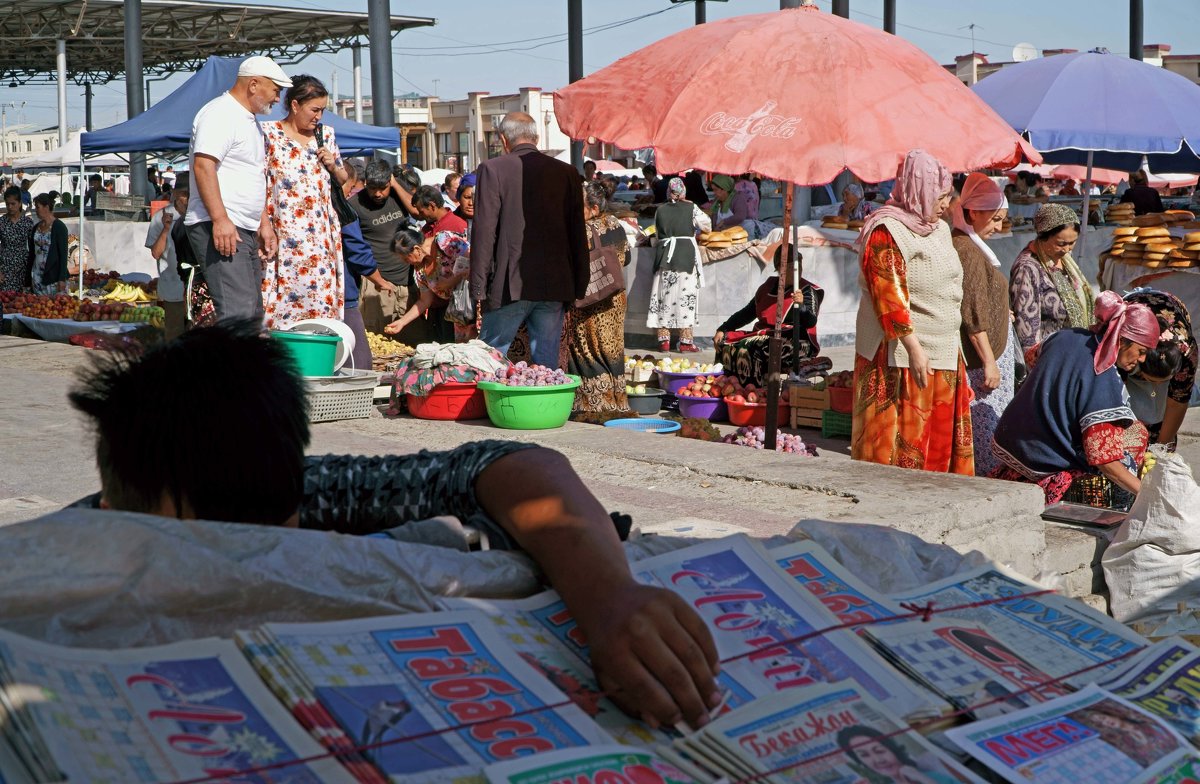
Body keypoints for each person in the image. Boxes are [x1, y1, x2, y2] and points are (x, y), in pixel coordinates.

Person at [66, 321, 723, 732]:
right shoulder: (69, 556)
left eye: (267, 539)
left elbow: (510, 464)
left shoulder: (294, 491)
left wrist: (610, 600)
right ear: (124, 511)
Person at [851, 149, 973, 475]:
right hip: (900, 356)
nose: (946, 204)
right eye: (940, 196)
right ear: (919, 190)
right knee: (901, 444)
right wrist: (914, 350)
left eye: (948, 196)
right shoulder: (887, 230)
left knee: (939, 445)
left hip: (944, 348)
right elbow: (888, 295)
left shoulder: (940, 228)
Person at [991, 292, 1159, 505]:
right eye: (1141, 350)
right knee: (1136, 436)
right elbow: (1106, 461)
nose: (1142, 359)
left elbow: (1032, 356)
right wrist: (1147, 495)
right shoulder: (1103, 378)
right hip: (1042, 458)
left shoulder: (1066, 336)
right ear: (1122, 339)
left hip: (1013, 441)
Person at [470, 111, 589, 367]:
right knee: (545, 367)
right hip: (555, 283)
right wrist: (579, 283)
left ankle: (487, 408)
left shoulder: (493, 169)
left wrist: (478, 288)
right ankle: (545, 407)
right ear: (536, 136)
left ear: (503, 139)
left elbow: (483, 233)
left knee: (488, 363)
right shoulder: (566, 172)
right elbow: (578, 231)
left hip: (509, 286)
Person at [184, 55, 291, 324]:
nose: (278, 99)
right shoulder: (221, 113)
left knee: (251, 311)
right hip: (218, 224)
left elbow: (250, 176)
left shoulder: (248, 120)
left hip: (239, 225)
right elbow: (203, 166)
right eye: (276, 91)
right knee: (238, 314)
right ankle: (233, 366)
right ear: (254, 84)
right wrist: (220, 219)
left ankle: (242, 365)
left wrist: (263, 223)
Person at [260, 74, 346, 330]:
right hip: (282, 235)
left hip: (320, 238)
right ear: (295, 105)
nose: (318, 116)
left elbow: (344, 181)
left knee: (319, 301)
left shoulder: (325, 135)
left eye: (322, 110)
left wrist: (333, 165)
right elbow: (258, 182)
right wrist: (264, 225)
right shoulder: (268, 134)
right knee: (280, 302)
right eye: (314, 109)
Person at [951, 173, 1014, 477]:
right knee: (985, 429)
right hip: (980, 362)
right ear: (974, 212)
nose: (999, 227)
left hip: (986, 355)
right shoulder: (967, 251)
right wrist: (990, 362)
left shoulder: (971, 246)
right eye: (995, 219)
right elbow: (973, 314)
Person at [564, 181, 632, 413]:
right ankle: (617, 401)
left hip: (589, 303)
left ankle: (594, 406)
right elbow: (627, 257)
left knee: (588, 351)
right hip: (614, 298)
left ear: (593, 208)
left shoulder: (580, 231)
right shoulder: (616, 224)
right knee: (612, 350)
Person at [714, 245, 823, 387]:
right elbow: (747, 313)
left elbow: (810, 321)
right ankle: (727, 389)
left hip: (797, 341)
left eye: (798, 265)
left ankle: (755, 392)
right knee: (725, 343)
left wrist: (801, 306)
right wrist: (724, 328)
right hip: (767, 335)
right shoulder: (768, 286)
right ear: (779, 268)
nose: (796, 270)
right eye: (790, 267)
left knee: (754, 348)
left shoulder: (807, 290)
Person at [1010, 203, 1094, 356]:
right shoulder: (1027, 268)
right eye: (1061, 243)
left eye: (1072, 243)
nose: (1067, 249)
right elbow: (1026, 330)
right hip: (1049, 358)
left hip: (1073, 352)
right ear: (1043, 236)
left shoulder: (1066, 261)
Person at [352, 159, 420, 340]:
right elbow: (354, 246)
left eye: (383, 187)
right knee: (378, 340)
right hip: (377, 284)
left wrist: (396, 185)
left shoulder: (398, 195)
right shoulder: (355, 205)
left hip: (407, 282)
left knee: (410, 340)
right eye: (372, 188)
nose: (378, 193)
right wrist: (378, 280)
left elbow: (417, 212)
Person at [1121, 288, 1195, 449]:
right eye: (1149, 380)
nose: (1154, 387)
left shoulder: (1187, 355)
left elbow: (1177, 403)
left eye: (1161, 382)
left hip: (1170, 310)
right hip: (1133, 319)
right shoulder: (1125, 347)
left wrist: (1162, 447)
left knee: (1161, 434)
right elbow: (1115, 400)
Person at [647, 177, 711, 353]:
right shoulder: (691, 207)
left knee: (663, 299)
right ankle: (685, 342)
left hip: (665, 257)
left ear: (668, 192)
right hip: (685, 256)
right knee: (686, 298)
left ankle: (664, 342)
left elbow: (658, 235)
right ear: (683, 191)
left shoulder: (660, 210)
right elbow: (707, 226)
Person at [384, 227, 471, 344]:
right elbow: (424, 301)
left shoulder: (443, 241)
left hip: (474, 302)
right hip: (459, 313)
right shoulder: (420, 270)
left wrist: (450, 281)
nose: (406, 262)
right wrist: (402, 322)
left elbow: (472, 258)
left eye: (406, 258)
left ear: (416, 249)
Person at [145, 174, 190, 340]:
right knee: (174, 336)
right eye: (186, 194)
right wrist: (165, 229)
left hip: (197, 287)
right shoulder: (161, 217)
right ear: (177, 195)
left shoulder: (200, 215)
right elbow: (156, 253)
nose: (190, 199)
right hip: (174, 288)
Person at [27, 193, 69, 295]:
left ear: (46, 207)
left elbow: (63, 255)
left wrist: (62, 279)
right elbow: (32, 254)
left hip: (54, 277)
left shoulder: (59, 227)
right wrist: (28, 278)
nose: (36, 210)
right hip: (37, 276)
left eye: (38, 207)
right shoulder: (35, 228)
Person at [0, 186, 34, 292]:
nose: (10, 207)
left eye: (13, 204)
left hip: (23, 267)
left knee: (23, 302)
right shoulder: (1, 222)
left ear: (19, 203)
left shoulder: (27, 223)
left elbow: (34, 248)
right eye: (7, 204)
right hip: (5, 268)